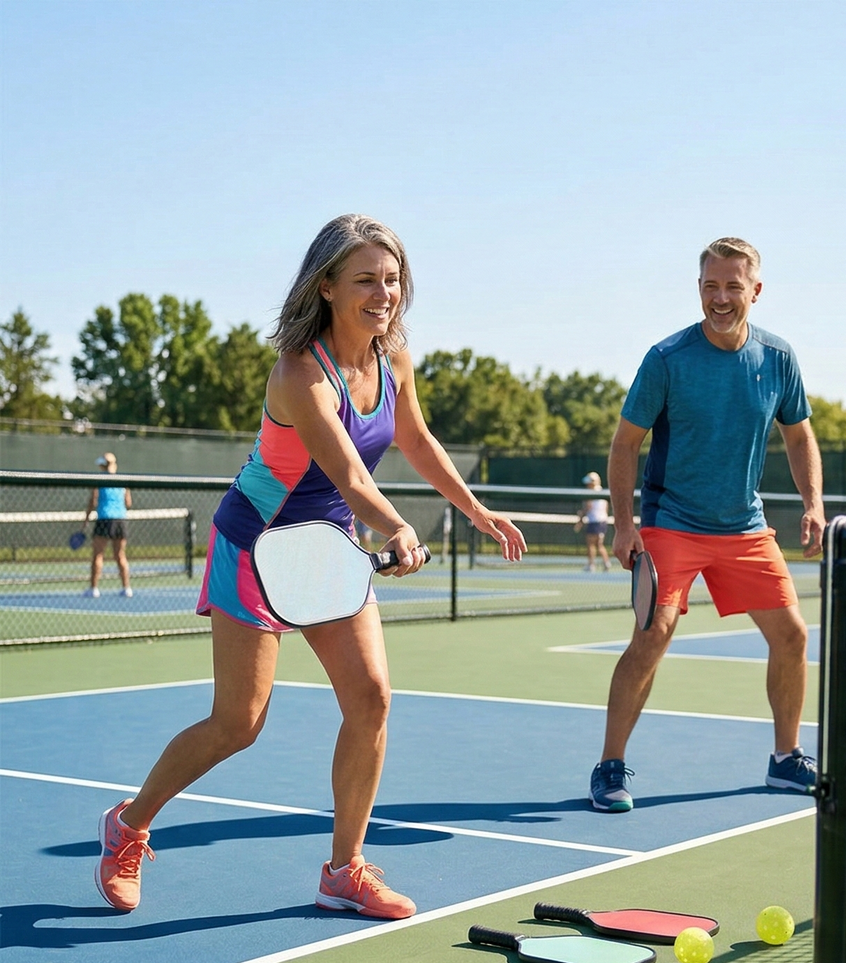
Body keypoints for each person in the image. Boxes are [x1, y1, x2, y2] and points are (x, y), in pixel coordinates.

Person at [94, 215, 526, 918]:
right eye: (365, 280)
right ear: (326, 287)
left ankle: (343, 871)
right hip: (257, 544)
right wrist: (394, 526)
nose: (383, 294)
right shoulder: (299, 373)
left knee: (372, 699)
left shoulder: (395, 356)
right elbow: (352, 475)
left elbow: (414, 437)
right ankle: (127, 827)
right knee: (239, 722)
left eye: (391, 279)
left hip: (323, 545)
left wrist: (476, 511)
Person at [590, 237, 824, 812]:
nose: (721, 298)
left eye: (733, 287)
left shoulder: (779, 359)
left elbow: (799, 435)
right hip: (673, 521)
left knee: (793, 636)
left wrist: (814, 503)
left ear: (756, 291)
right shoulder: (667, 359)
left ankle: (785, 759)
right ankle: (609, 765)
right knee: (653, 634)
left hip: (744, 527)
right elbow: (625, 444)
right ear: (699, 288)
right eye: (710, 286)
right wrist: (625, 525)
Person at [86, 453, 133, 598]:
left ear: (104, 465)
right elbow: (128, 503)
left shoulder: (99, 480)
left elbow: (93, 501)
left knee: (98, 555)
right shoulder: (123, 481)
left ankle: (93, 589)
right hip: (120, 520)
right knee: (120, 556)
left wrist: (86, 519)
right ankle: (127, 588)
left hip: (104, 520)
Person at [576, 472, 613, 571]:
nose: (587, 485)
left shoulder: (591, 493)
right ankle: (606, 563)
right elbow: (606, 508)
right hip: (602, 521)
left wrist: (580, 519)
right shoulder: (602, 492)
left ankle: (591, 565)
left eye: (589, 483)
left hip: (594, 522)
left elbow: (588, 507)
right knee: (599, 544)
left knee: (591, 544)